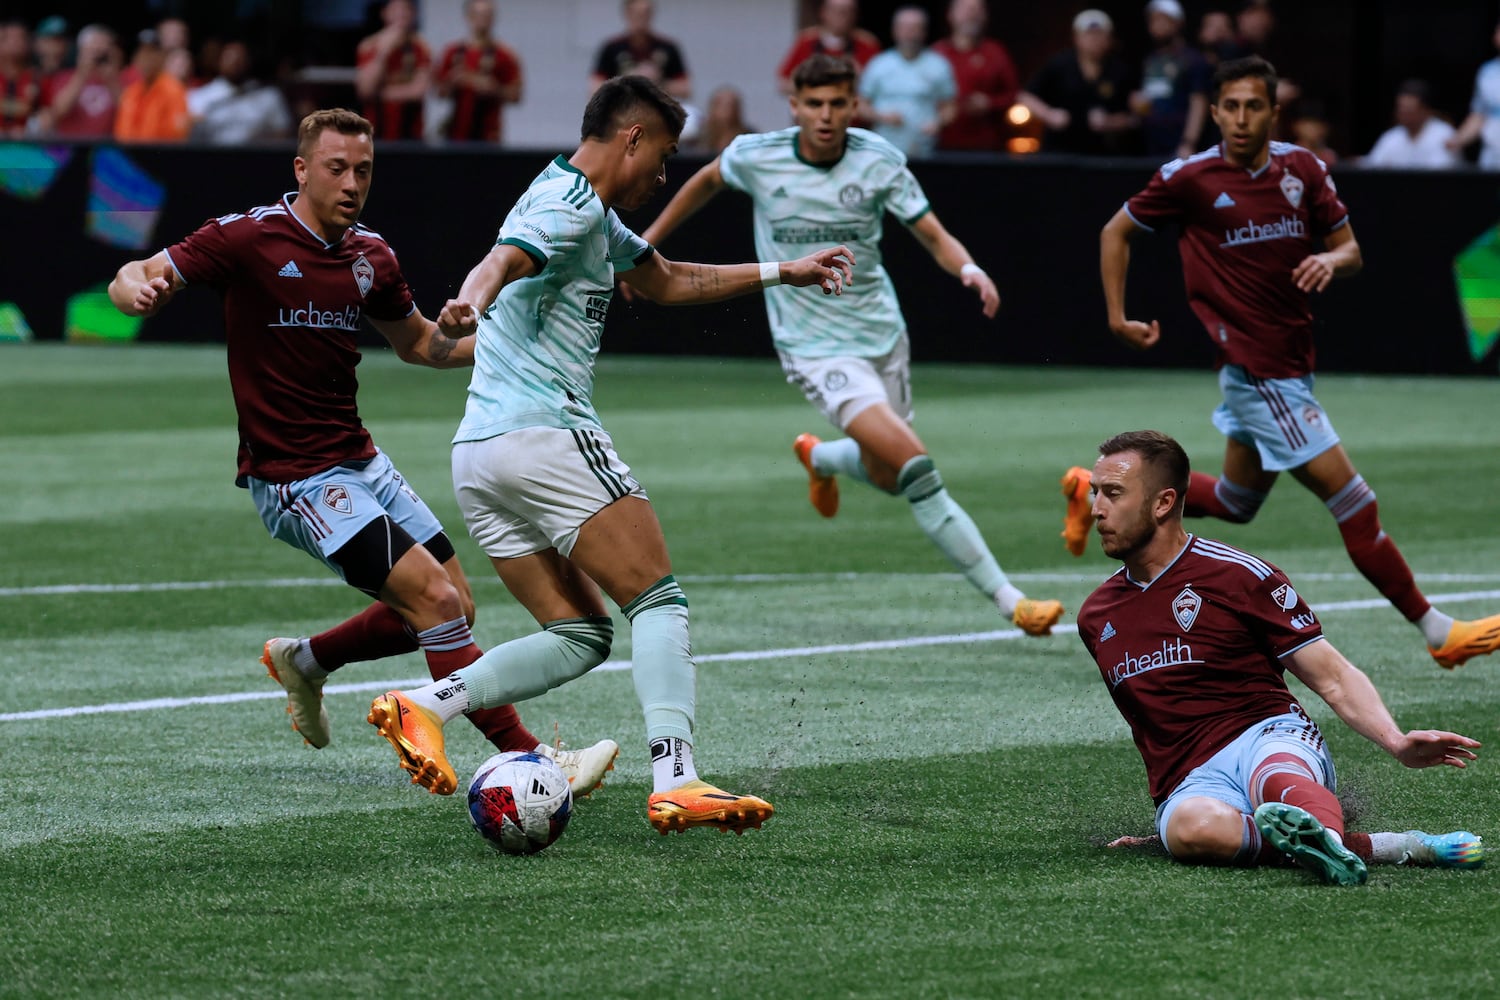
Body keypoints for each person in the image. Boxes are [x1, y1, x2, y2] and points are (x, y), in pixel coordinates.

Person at [364, 75, 854, 834]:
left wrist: (782, 271)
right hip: (546, 437)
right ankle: (677, 777)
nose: (662, 174)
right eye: (660, 155)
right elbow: (502, 261)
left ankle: (424, 705)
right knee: (659, 601)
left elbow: (663, 280)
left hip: (480, 457)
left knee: (581, 634)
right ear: (630, 137)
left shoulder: (583, 208)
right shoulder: (565, 207)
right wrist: (471, 300)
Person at [106, 108, 617, 795]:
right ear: (302, 169)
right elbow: (137, 269)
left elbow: (420, 345)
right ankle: (534, 761)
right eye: (337, 168)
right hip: (293, 477)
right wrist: (135, 285)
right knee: (433, 599)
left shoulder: (370, 255)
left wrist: (514, 348)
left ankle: (307, 661)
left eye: (364, 170)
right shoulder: (246, 237)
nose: (352, 183)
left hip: (359, 459)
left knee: (456, 609)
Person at [1065, 55, 1500, 671]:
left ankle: (1092, 487)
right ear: (1214, 112)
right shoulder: (1188, 178)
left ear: (1274, 110)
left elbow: (1351, 250)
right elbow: (1116, 231)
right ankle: (1438, 631)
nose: (1241, 119)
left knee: (1240, 501)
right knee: (1355, 503)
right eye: (1230, 107)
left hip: (1290, 364)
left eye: (1254, 106)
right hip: (1259, 374)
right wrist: (1116, 315)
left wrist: (1332, 262)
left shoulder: (1303, 170)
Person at [634, 53, 1064, 637]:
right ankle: (1011, 600)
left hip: (881, 335)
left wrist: (969, 270)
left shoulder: (879, 160)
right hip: (814, 347)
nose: (826, 115)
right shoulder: (757, 156)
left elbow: (931, 232)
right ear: (794, 106)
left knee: (887, 477)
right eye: (814, 104)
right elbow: (706, 180)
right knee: (915, 467)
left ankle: (822, 457)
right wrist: (648, 249)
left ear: (855, 105)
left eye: (838, 103)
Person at [1077, 429, 1484, 885]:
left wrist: (1396, 741)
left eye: (1112, 493)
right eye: (1095, 493)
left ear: (1163, 503)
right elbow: (1154, 731)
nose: (1096, 509)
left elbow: (1332, 675)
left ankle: (1347, 840)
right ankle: (1378, 845)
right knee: (1192, 832)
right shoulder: (1096, 617)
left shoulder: (1239, 576)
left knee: (1277, 779)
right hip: (1191, 779)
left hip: (1267, 735)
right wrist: (1165, 825)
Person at [1017, 9, 1138, 156]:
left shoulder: (1120, 70)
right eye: (1089, 34)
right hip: (1059, 150)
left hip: (1103, 154)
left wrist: (1109, 122)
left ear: (1109, 38)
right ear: (1076, 37)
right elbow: (1026, 96)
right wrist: (1049, 115)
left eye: (1100, 34)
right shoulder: (1059, 65)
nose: (1094, 40)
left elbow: (1134, 117)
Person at [858, 6, 956, 160]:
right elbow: (860, 105)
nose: (910, 33)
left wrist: (938, 123)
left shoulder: (939, 65)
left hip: (925, 152)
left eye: (915, 28)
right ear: (895, 31)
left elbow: (950, 107)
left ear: (924, 32)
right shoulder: (878, 64)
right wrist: (881, 116)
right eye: (905, 28)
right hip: (884, 152)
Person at [932, 0, 1019, 154]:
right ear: (950, 15)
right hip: (941, 146)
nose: (972, 14)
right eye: (966, 9)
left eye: (978, 9)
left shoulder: (996, 52)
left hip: (988, 147)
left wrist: (989, 103)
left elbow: (1013, 95)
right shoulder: (936, 54)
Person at [436, 0, 522, 143]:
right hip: (456, 134)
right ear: (468, 16)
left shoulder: (504, 55)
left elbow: (516, 95)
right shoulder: (453, 52)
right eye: (478, 14)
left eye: (487, 15)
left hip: (489, 135)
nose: (483, 19)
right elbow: (439, 92)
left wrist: (494, 89)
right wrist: (454, 81)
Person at [1134, 0, 1209, 160]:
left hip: (1179, 145)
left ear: (1178, 22)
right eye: (1153, 20)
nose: (1156, 25)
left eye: (1162, 19)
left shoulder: (1192, 59)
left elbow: (1198, 101)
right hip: (1151, 144)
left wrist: (1188, 142)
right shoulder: (1150, 60)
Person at [187, 40, 294, 145]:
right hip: (212, 158)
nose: (236, 63)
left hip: (257, 158)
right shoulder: (200, 97)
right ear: (219, 61)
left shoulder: (268, 96)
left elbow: (282, 133)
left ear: (249, 61)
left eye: (241, 58)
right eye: (230, 57)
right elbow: (191, 136)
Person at [355, 0, 431, 141]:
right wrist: (383, 52)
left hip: (410, 132)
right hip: (376, 129)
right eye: (395, 9)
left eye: (405, 9)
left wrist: (382, 93)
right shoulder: (369, 45)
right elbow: (365, 90)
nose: (401, 14)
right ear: (384, 13)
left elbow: (418, 92)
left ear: (413, 14)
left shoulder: (421, 47)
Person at [589, 0, 690, 101]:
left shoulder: (668, 47)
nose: (642, 19)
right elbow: (594, 89)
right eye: (637, 14)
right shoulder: (612, 48)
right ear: (627, 14)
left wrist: (658, 81)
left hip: (658, 110)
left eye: (646, 13)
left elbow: (686, 89)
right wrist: (629, 80)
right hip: (622, 110)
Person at [37, 23, 122, 138]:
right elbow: (59, 112)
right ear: (81, 51)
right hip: (71, 146)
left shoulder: (121, 79)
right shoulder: (64, 77)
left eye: (103, 51)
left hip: (106, 148)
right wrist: (81, 76)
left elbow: (127, 111)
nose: (98, 56)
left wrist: (111, 80)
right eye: (93, 50)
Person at [776, 0, 880, 95]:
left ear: (855, 15)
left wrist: (861, 78)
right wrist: (815, 83)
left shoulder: (867, 44)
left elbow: (883, 88)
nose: (841, 17)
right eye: (835, 11)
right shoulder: (807, 41)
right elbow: (783, 84)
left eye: (847, 12)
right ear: (823, 12)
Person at [1363, 80, 1459, 169]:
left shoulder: (1444, 134)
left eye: (1409, 110)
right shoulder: (1391, 136)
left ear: (1426, 110)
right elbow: (1373, 166)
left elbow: (1441, 173)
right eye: (1401, 110)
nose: (1403, 115)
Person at [114, 29, 190, 143]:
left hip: (160, 156)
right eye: (142, 53)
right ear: (135, 59)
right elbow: (121, 133)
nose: (147, 58)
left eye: (152, 52)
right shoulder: (131, 92)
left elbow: (177, 134)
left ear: (162, 56)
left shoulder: (174, 89)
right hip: (129, 156)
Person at [1446, 20, 1500, 169]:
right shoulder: (1487, 72)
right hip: (1493, 156)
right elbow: (1479, 115)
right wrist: (1458, 140)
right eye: (1496, 32)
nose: (1497, 36)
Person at [0, 19, 38, 138]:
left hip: (26, 143)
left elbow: (46, 113)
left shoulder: (36, 76)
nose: (16, 43)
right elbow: (25, 108)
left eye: (21, 38)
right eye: (9, 38)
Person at [689, 84, 752, 154]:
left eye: (729, 105)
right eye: (719, 104)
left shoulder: (748, 137)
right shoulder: (699, 136)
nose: (724, 109)